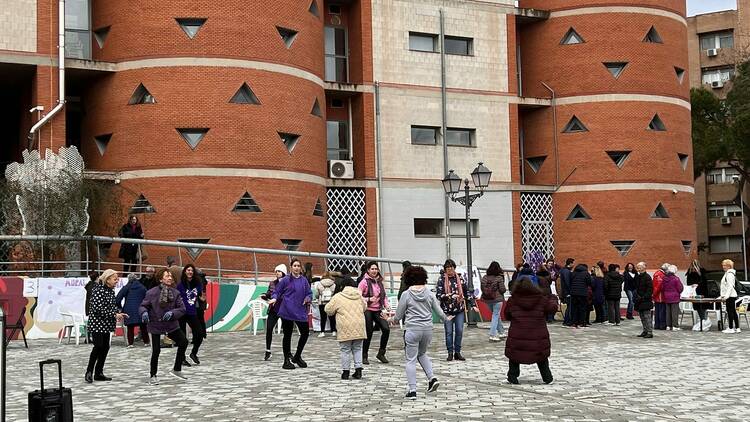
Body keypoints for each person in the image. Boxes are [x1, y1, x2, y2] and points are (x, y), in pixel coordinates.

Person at [390, 265, 451, 400]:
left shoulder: (406, 294)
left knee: (410, 359)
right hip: (427, 329)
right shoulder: (429, 293)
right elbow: (439, 312)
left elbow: (398, 316)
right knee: (422, 354)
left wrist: (389, 319)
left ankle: (412, 390)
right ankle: (432, 378)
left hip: (412, 329)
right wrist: (446, 318)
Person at [504, 277, 558, 385]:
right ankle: (547, 377)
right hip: (537, 334)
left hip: (517, 334)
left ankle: (512, 376)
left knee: (515, 356)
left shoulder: (512, 300)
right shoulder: (541, 299)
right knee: (541, 356)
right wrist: (553, 298)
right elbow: (552, 309)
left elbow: (507, 315)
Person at [140, 268, 189, 384]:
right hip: (155, 324)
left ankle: (177, 369)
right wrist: (144, 312)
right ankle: (153, 375)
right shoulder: (151, 292)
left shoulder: (175, 293)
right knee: (156, 350)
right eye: (167, 276)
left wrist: (173, 313)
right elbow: (143, 306)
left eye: (171, 276)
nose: (170, 278)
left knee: (184, 342)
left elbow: (182, 309)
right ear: (161, 279)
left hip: (171, 324)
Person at [269, 259, 313, 369]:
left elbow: (309, 293)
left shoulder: (304, 281)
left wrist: (307, 298)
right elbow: (277, 291)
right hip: (287, 310)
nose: (297, 268)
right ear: (291, 267)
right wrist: (274, 298)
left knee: (305, 333)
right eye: (294, 266)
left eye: (298, 266)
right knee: (287, 335)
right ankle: (286, 360)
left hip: (300, 310)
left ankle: (297, 356)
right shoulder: (285, 280)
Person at [85, 269, 127, 383]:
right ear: (107, 279)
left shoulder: (111, 291)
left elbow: (111, 306)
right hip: (97, 323)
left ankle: (99, 372)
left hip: (107, 323)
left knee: (105, 347)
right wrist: (114, 314)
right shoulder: (98, 290)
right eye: (115, 279)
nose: (117, 281)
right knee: (98, 346)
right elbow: (98, 309)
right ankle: (89, 371)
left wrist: (118, 313)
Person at [324, 277, 367, 380]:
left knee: (345, 350)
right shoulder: (359, 295)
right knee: (357, 348)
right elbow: (365, 307)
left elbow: (328, 310)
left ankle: (345, 372)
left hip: (345, 325)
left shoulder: (338, 296)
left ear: (342, 286)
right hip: (359, 325)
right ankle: (358, 370)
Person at [436, 259, 478, 361]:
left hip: (459, 309)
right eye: (447, 268)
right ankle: (450, 352)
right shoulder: (441, 279)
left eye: (451, 267)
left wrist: (472, 304)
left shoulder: (460, 278)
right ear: (445, 269)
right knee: (449, 332)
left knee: (459, 331)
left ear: (454, 268)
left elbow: (467, 292)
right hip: (447, 310)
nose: (449, 269)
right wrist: (448, 296)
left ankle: (457, 352)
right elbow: (438, 295)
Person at [358, 261, 391, 364]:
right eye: (372, 269)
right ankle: (364, 355)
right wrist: (368, 299)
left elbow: (384, 296)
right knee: (369, 331)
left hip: (378, 309)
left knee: (386, 329)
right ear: (368, 270)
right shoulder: (364, 282)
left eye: (376, 269)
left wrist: (387, 305)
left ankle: (381, 353)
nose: (374, 271)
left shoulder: (379, 282)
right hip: (368, 309)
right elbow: (358, 296)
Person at [177, 264, 205, 365]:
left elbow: (201, 294)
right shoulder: (180, 285)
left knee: (200, 334)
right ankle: (182, 358)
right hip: (182, 313)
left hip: (192, 312)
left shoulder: (198, 284)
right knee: (183, 338)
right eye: (188, 270)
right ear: (185, 271)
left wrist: (202, 299)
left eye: (192, 270)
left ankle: (194, 353)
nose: (190, 272)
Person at [116, 273, 150, 348]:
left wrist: (120, 308)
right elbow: (148, 297)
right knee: (143, 326)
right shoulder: (142, 287)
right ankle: (146, 342)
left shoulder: (127, 287)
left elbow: (118, 298)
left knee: (130, 327)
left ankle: (131, 343)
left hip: (129, 310)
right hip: (141, 309)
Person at [261, 264, 287, 360]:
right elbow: (269, 293)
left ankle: (287, 352)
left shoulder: (287, 282)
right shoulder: (272, 283)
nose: (277, 273)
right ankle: (268, 350)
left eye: (279, 271)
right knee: (269, 329)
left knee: (286, 332)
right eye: (276, 271)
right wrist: (265, 295)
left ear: (284, 272)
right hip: (273, 309)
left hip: (284, 309)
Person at [480, 261, 507, 341]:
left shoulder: (485, 277)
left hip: (487, 299)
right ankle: (492, 334)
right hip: (497, 299)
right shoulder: (499, 277)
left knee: (496, 315)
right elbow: (503, 289)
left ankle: (501, 332)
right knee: (495, 315)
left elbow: (482, 288)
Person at [719, 259, 741, 333]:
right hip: (731, 295)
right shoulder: (728, 273)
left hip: (730, 296)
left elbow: (730, 286)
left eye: (725, 265)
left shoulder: (729, 274)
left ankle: (731, 328)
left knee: (730, 311)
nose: (723, 266)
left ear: (729, 266)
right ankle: (737, 328)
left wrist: (726, 296)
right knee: (733, 311)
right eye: (723, 265)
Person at [314, 271, 337, 337]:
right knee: (332, 317)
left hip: (322, 302)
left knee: (323, 317)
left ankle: (322, 332)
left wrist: (318, 297)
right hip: (331, 302)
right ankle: (334, 331)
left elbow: (317, 294)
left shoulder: (319, 284)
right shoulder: (333, 284)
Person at [634, 262, 653, 338]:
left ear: (644, 268)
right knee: (642, 316)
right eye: (637, 267)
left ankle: (649, 331)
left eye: (639, 267)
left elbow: (650, 289)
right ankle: (645, 330)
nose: (638, 268)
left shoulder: (647, 277)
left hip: (645, 300)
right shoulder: (638, 277)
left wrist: (644, 297)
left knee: (647, 316)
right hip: (639, 299)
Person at [661, 265, 684, 331]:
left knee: (668, 312)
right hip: (674, 297)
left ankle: (668, 325)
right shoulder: (676, 279)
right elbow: (680, 288)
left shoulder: (664, 278)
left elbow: (662, 288)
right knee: (674, 312)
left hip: (666, 296)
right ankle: (675, 326)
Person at [568, 263, 591, 328]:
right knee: (582, 308)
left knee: (574, 308)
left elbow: (570, 281)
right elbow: (589, 282)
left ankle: (574, 322)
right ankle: (582, 322)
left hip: (574, 293)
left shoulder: (573, 273)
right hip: (583, 293)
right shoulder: (586, 273)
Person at [652, 264, 668, 330]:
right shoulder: (661, 275)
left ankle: (657, 324)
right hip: (660, 296)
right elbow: (658, 287)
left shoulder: (657, 273)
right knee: (661, 311)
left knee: (657, 311)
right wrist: (654, 294)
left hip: (657, 295)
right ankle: (662, 325)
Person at [560, 258, 575, 326]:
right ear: (570, 263)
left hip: (566, 291)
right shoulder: (566, 271)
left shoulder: (564, 270)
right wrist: (569, 292)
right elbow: (567, 282)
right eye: (573, 263)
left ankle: (567, 320)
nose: (574, 265)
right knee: (570, 307)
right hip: (567, 292)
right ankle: (567, 321)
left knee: (569, 306)